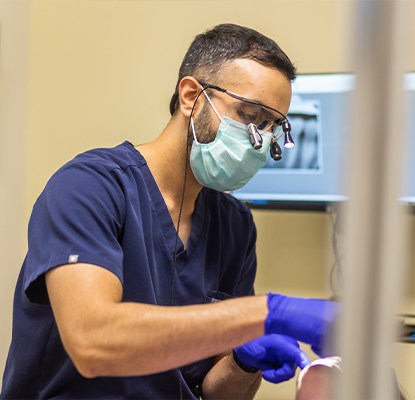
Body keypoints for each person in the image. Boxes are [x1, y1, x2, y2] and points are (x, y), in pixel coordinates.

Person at [1, 23, 339, 399]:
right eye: (249, 115)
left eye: (272, 126)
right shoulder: (89, 187)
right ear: (191, 96)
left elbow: (215, 392)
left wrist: (243, 362)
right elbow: (93, 342)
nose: (259, 142)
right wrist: (267, 313)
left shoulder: (235, 225)